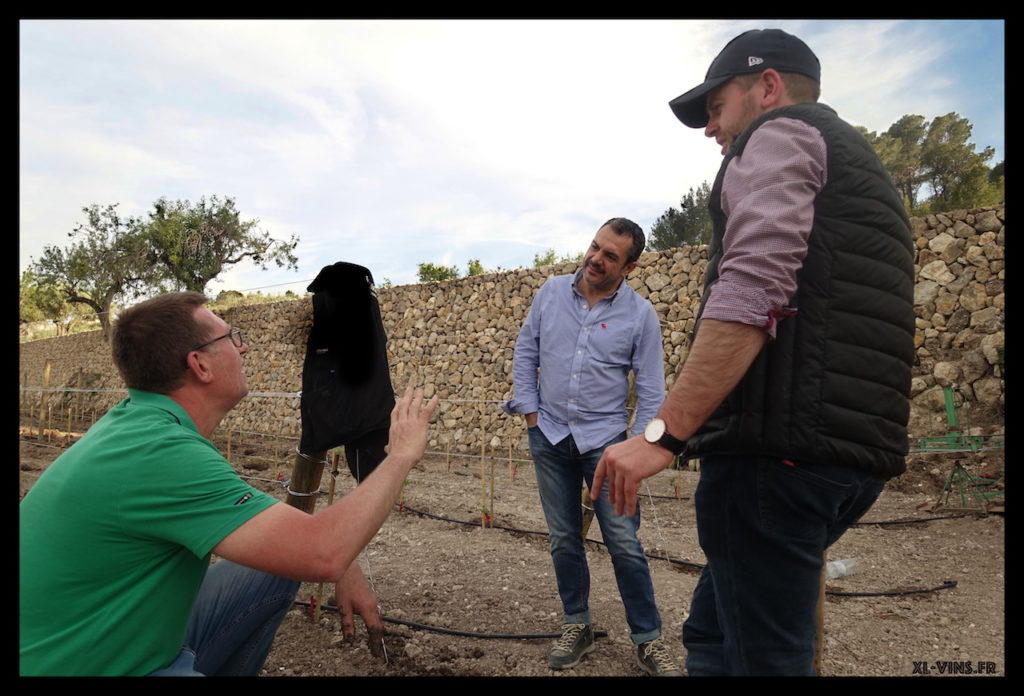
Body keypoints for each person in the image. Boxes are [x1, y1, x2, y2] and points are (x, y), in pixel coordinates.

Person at [593, 29, 915, 676]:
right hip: (847, 459)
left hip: (775, 460)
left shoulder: (780, 134)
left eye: (716, 106)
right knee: (712, 636)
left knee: (762, 659)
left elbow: (751, 288)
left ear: (766, 87)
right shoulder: (863, 172)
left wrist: (662, 434)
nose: (710, 127)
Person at [20, 291, 438, 676]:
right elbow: (322, 554)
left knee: (271, 571)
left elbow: (300, 546)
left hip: (97, 639)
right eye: (231, 338)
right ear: (199, 365)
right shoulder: (161, 455)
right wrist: (400, 454)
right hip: (82, 665)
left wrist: (337, 561)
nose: (245, 347)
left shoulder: (136, 424)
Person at [503, 218, 683, 676]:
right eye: (594, 247)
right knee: (564, 539)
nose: (596, 260)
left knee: (624, 543)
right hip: (549, 435)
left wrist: (639, 450)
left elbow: (651, 389)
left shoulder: (640, 315)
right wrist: (530, 414)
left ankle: (648, 638)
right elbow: (526, 351)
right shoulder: (550, 292)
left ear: (631, 266)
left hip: (606, 446)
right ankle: (576, 624)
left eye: (610, 256)